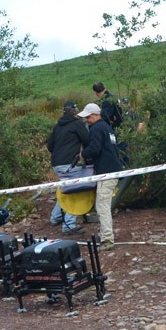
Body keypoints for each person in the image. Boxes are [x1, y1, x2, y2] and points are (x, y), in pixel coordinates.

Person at [79, 102, 125, 251]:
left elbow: (94, 149)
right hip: (112, 169)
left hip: (107, 172)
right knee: (102, 204)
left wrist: (83, 154)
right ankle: (104, 234)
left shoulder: (96, 128)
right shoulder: (107, 127)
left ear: (95, 115)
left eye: (88, 117)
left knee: (102, 206)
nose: (86, 120)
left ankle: (107, 239)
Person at [47, 100, 90, 234]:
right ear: (74, 110)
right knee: (74, 193)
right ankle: (69, 225)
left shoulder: (57, 126)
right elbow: (88, 141)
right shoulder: (77, 124)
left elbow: (50, 146)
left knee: (65, 190)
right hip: (69, 163)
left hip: (56, 164)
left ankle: (56, 217)